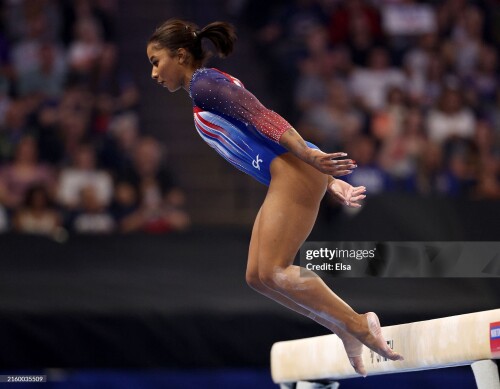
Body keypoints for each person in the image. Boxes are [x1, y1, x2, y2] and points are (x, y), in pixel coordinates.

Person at [146, 18, 403, 376]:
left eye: (156, 62)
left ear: (180, 55)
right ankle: (343, 327)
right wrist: (328, 179)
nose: (154, 73)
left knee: (274, 270)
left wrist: (311, 157)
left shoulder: (205, 83)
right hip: (291, 173)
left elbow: (262, 117)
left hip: (291, 171)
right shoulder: (203, 89)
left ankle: (358, 323)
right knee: (258, 276)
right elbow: (261, 131)